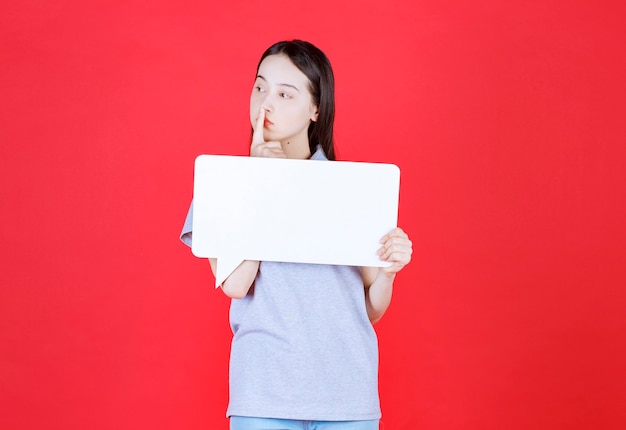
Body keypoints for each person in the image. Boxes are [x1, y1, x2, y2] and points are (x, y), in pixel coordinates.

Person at [180, 40, 413, 430]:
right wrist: (261, 183)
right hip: (264, 392)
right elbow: (237, 283)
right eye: (260, 88)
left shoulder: (351, 188)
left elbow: (370, 308)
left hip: (347, 396)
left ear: (315, 108)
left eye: (285, 94)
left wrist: (389, 268)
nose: (265, 104)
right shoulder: (220, 185)